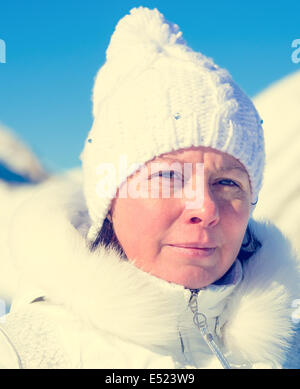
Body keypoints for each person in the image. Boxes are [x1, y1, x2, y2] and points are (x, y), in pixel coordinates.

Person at [0, 6, 299, 369]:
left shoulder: (287, 349)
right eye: (168, 178)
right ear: (108, 200)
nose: (204, 208)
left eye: (227, 182)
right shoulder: (22, 354)